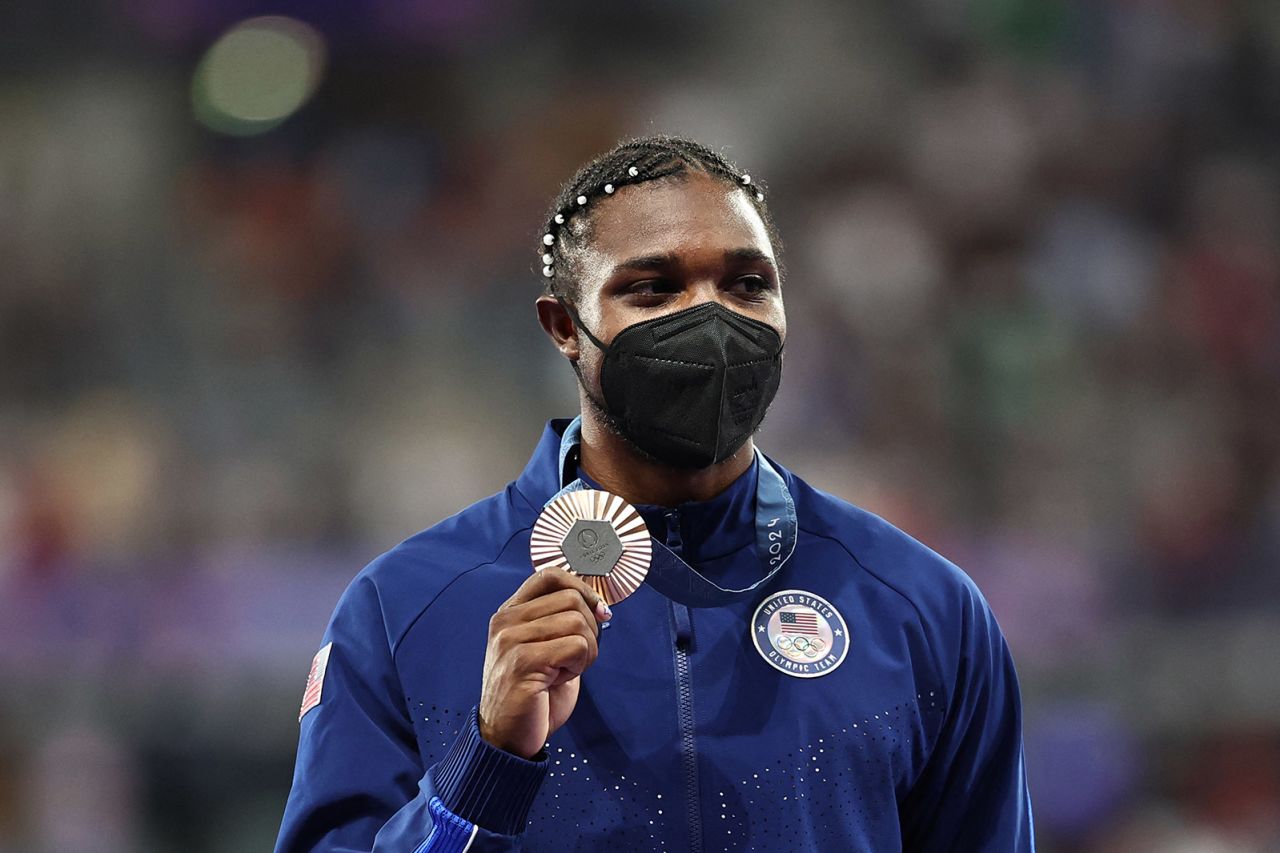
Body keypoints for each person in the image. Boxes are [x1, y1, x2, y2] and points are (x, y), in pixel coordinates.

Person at [275, 135, 1035, 852]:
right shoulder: (407, 606)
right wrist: (486, 759)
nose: (709, 319)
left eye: (747, 283)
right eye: (652, 288)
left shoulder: (923, 608)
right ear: (564, 327)